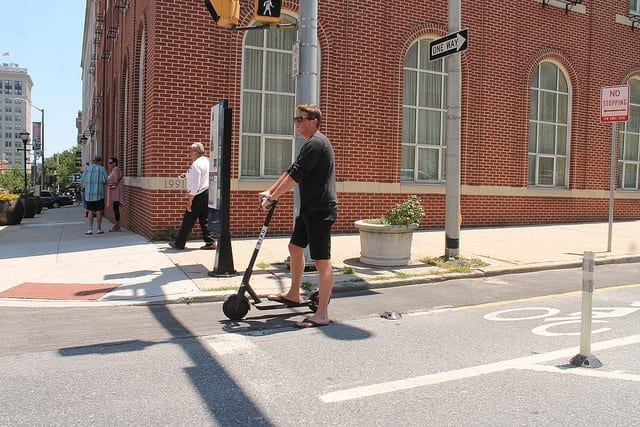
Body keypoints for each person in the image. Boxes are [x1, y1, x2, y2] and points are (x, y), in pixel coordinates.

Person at [260, 104, 338, 328]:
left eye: (300, 118)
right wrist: (270, 191)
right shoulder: (308, 144)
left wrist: (273, 197)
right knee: (295, 248)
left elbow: (295, 177)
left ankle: (321, 314)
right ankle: (294, 294)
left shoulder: (317, 143)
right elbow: (291, 170)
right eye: (295, 118)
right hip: (309, 208)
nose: (297, 122)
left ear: (314, 121)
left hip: (321, 210)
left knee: (322, 261)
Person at [169, 142, 216, 250]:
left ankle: (179, 243)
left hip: (198, 194)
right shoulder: (207, 161)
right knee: (204, 219)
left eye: (190, 151)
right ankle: (210, 242)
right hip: (207, 192)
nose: (190, 153)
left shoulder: (196, 164)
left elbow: (195, 184)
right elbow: (201, 176)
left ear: (195, 152)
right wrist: (186, 175)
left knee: (188, 219)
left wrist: (190, 200)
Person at [82, 155, 108, 235]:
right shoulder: (102, 169)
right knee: (99, 211)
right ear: (99, 161)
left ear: (94, 161)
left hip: (89, 194)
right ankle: (99, 229)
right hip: (99, 194)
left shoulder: (87, 169)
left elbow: (83, 179)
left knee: (90, 211)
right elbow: (105, 180)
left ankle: (90, 229)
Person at [106, 156, 124, 232]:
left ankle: (117, 226)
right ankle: (117, 225)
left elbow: (115, 181)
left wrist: (108, 182)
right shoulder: (113, 170)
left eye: (110, 163)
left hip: (116, 192)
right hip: (115, 192)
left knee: (116, 208)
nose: (109, 164)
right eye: (108, 163)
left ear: (115, 163)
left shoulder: (116, 169)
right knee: (115, 208)